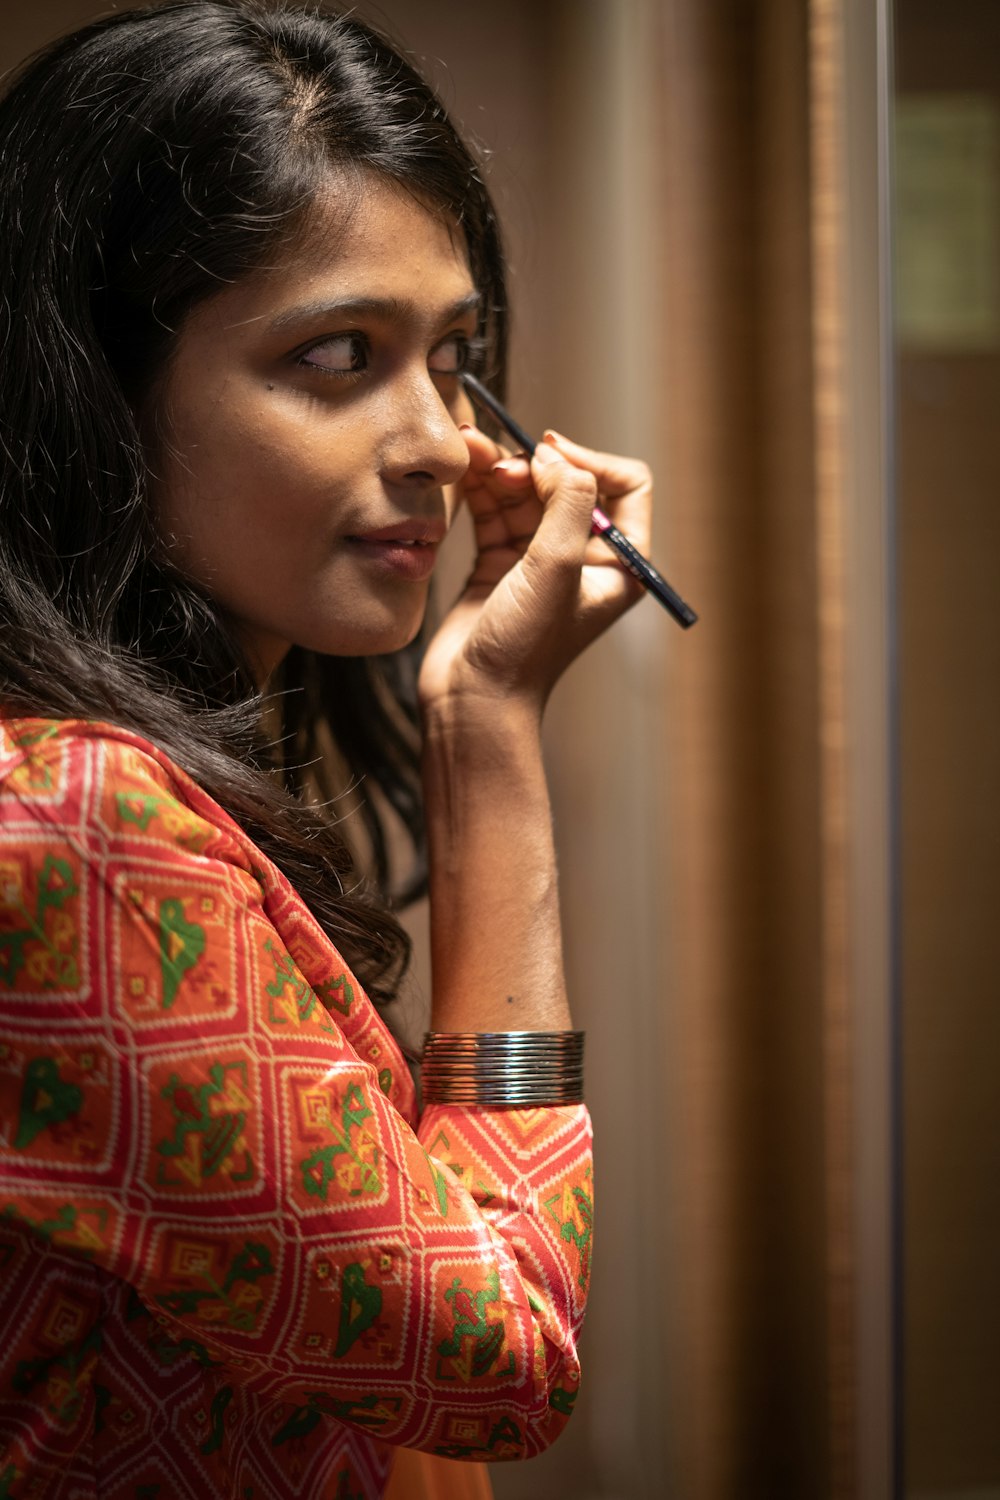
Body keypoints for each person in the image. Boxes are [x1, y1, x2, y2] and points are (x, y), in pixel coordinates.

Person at [0, 2, 652, 1496]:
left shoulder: (158, 780)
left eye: (457, 358)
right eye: (340, 356)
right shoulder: (68, 819)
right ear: (95, 398)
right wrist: (488, 731)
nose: (438, 440)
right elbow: (499, 1356)